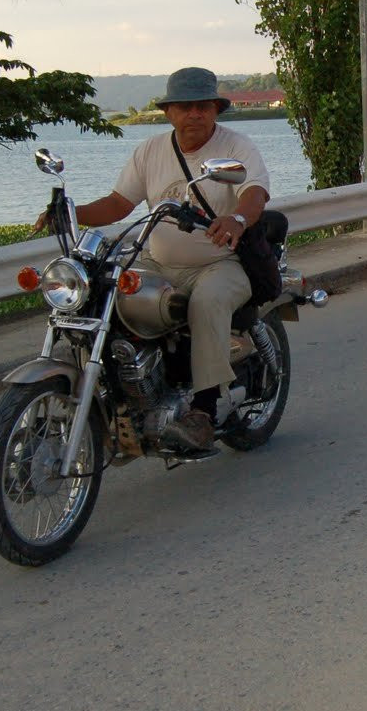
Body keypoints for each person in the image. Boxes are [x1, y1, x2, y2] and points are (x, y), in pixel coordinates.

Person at [34, 67, 271, 451]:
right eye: (184, 106)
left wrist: (236, 218)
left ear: (215, 109)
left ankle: (204, 412)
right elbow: (118, 204)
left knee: (207, 301)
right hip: (158, 262)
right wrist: (72, 213)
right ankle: (129, 387)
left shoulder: (236, 147)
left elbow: (255, 192)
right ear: (168, 112)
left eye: (202, 105)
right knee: (108, 294)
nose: (194, 113)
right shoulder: (150, 150)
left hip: (220, 262)